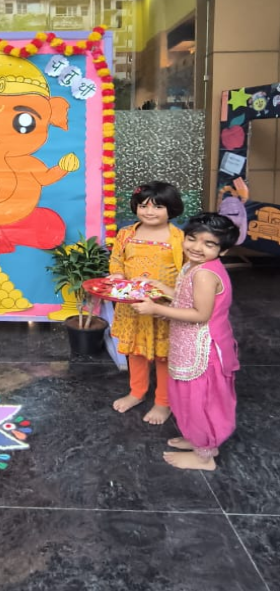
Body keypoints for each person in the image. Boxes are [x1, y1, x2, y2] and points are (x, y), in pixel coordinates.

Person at [132, 212, 240, 471]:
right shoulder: (195, 266)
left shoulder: (204, 274)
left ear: (223, 250)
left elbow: (200, 314)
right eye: (192, 239)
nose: (197, 247)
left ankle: (205, 457)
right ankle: (196, 439)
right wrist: (158, 286)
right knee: (188, 396)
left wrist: (156, 309)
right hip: (190, 343)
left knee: (199, 400)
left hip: (202, 349)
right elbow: (184, 297)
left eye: (209, 244)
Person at [110, 181, 185, 424]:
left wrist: (175, 303)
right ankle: (137, 392)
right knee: (135, 352)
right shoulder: (126, 234)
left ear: (171, 209)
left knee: (165, 355)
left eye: (158, 207)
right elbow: (116, 260)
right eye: (143, 206)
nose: (149, 212)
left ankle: (163, 402)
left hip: (164, 307)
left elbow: (188, 273)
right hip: (132, 307)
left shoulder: (180, 238)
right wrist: (117, 275)